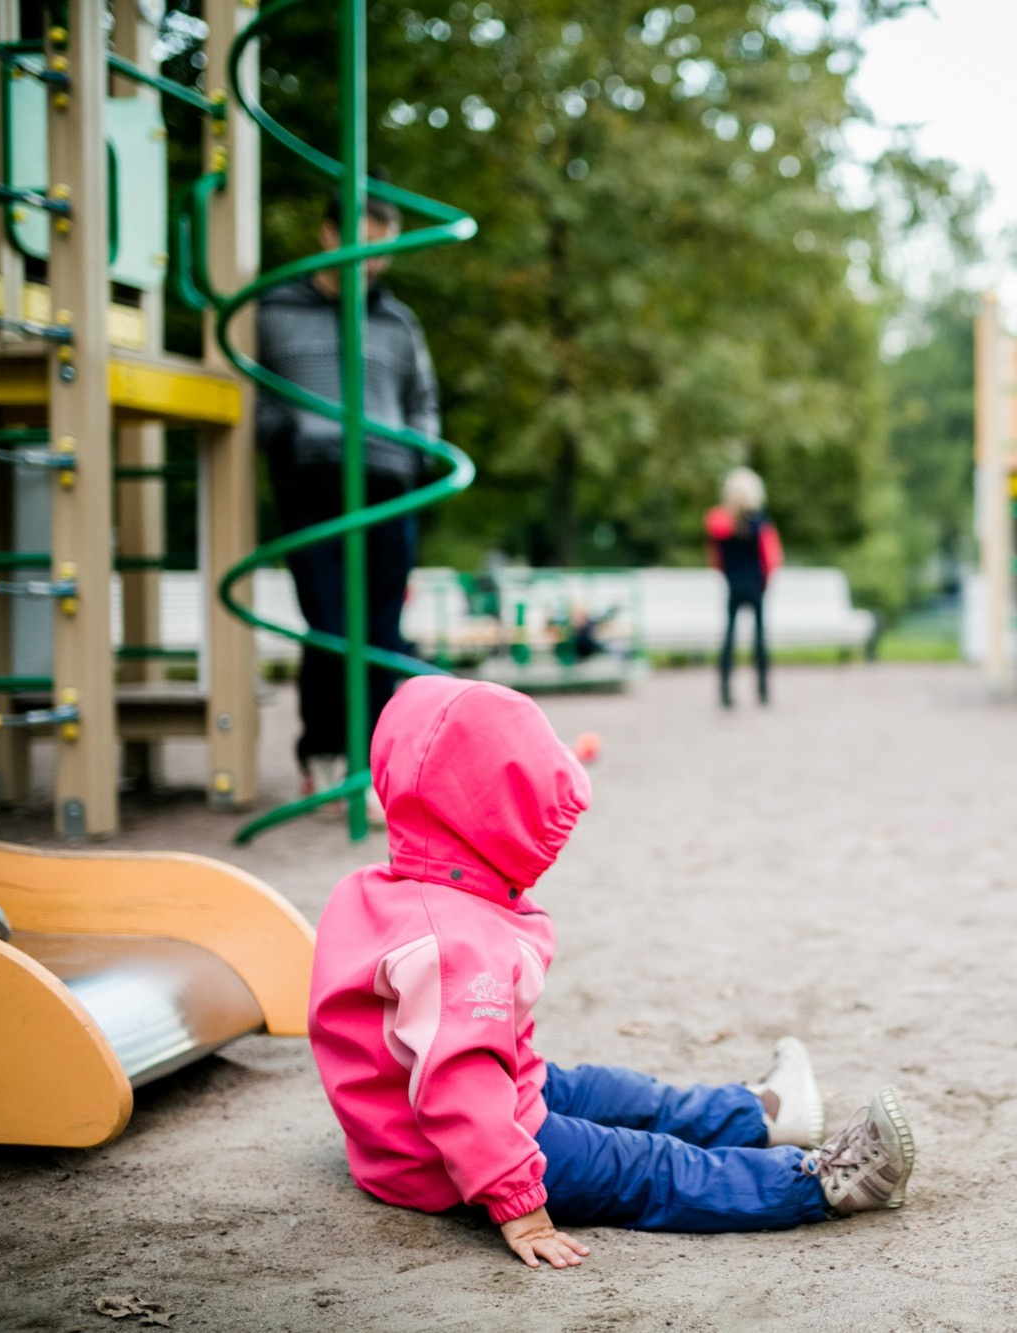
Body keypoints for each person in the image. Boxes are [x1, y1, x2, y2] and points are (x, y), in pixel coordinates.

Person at [308, 676, 916, 1268]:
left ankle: (757, 1112)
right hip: (452, 1154)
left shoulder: (385, 890)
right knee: (645, 1165)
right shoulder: (451, 939)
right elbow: (458, 1085)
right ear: (489, 811)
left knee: (612, 1092)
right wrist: (518, 1200)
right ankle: (818, 1182)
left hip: (454, 1115)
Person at [256, 188, 439, 805]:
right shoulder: (276, 310)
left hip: (386, 483)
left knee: (382, 629)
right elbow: (253, 396)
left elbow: (423, 401)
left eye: (383, 253)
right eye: (364, 246)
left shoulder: (396, 321)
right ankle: (325, 750)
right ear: (329, 235)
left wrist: (417, 456)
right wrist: (281, 434)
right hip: (311, 477)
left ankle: (376, 766)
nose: (372, 265)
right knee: (330, 625)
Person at [705, 467, 783, 709]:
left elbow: (715, 558)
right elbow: (772, 556)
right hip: (756, 584)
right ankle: (762, 691)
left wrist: (727, 574)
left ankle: (725, 691)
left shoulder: (720, 523)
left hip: (734, 584)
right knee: (759, 637)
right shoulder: (760, 522)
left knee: (729, 636)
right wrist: (765, 580)